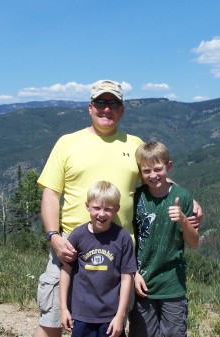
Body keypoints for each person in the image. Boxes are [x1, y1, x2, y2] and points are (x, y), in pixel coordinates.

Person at [34, 80, 202, 337]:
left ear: (122, 109)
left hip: (119, 247)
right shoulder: (67, 143)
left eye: (113, 103)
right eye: (101, 102)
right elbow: (51, 193)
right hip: (71, 245)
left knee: (111, 325)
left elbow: (154, 175)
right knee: (52, 322)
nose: (106, 109)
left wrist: (188, 198)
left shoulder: (134, 144)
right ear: (90, 107)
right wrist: (53, 236)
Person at [128, 141, 199, 337]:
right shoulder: (136, 198)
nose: (153, 175)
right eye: (147, 171)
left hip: (172, 285)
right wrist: (133, 273)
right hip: (142, 283)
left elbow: (193, 242)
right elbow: (129, 239)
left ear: (168, 166)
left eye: (158, 169)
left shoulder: (182, 197)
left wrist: (183, 220)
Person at [59, 181, 136, 337]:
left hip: (111, 315)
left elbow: (127, 278)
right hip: (81, 314)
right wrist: (63, 308)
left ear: (117, 209)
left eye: (108, 209)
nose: (101, 214)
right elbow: (66, 271)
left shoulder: (123, 238)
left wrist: (120, 315)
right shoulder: (78, 235)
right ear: (87, 206)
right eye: (96, 208)